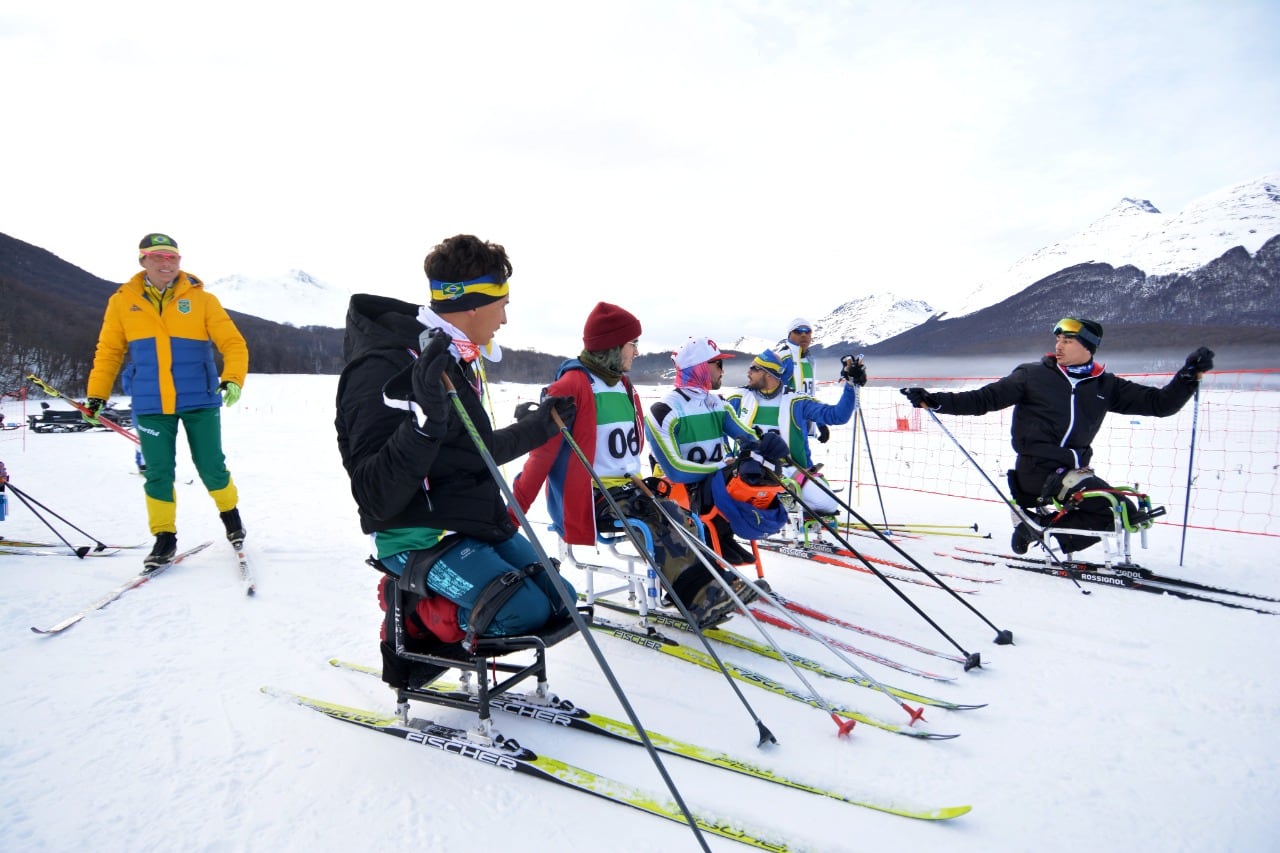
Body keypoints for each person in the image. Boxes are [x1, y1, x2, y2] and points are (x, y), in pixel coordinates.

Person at [334, 233, 577, 688]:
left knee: (561, 600)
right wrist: (424, 423)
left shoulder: (452, 357)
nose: (504, 318)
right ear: (471, 304)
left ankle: (449, 592)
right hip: (416, 532)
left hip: (468, 518)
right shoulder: (381, 368)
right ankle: (409, 603)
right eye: (501, 304)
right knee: (523, 612)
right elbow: (373, 491)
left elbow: (472, 453)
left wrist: (542, 426)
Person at [901, 318, 1214, 555]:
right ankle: (1041, 530)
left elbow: (1159, 405)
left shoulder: (1106, 386)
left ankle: (1038, 530)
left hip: (1075, 472)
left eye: (1068, 340)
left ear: (1088, 347)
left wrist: (1187, 379)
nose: (1059, 345)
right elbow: (984, 399)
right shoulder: (1031, 375)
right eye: (1058, 339)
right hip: (1036, 470)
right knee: (1110, 509)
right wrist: (936, 400)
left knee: (1123, 512)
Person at [512, 304, 726, 626]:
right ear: (612, 346)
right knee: (655, 520)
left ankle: (706, 589)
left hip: (629, 488)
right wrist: (511, 517)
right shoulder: (571, 387)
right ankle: (699, 597)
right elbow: (541, 457)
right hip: (593, 498)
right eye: (633, 344)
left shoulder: (623, 386)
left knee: (683, 517)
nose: (637, 352)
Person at [86, 233, 249, 570]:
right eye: (158, 257)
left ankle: (231, 517)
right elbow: (109, 352)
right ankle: (164, 538)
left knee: (212, 467)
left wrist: (232, 378)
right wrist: (97, 394)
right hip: (150, 402)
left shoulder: (202, 300)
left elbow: (233, 343)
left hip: (200, 400)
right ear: (143, 260)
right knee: (158, 473)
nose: (166, 263)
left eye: (172, 258)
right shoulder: (121, 301)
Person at [646, 337, 790, 618]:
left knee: (759, 478)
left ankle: (740, 549)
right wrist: (723, 466)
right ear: (699, 367)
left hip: (714, 487)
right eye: (717, 364)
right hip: (679, 492)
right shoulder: (665, 410)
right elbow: (675, 468)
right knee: (734, 479)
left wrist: (766, 446)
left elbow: (746, 437)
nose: (722, 371)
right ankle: (697, 583)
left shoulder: (717, 404)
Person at [726, 348, 865, 515]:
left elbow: (837, 416)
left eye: (754, 368)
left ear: (768, 374)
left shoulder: (796, 401)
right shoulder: (738, 398)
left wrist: (851, 385)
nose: (748, 372)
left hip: (791, 468)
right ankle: (780, 504)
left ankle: (786, 503)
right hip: (752, 468)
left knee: (828, 504)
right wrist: (727, 455)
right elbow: (717, 424)